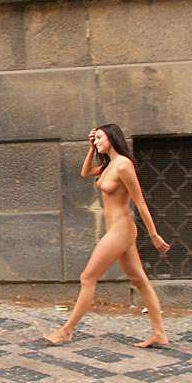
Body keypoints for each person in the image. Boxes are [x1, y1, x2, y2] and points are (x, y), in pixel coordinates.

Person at [45, 124, 171, 347]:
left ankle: (66, 331)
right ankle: (159, 333)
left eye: (99, 138)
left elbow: (140, 202)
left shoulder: (123, 165)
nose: (96, 142)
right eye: (95, 139)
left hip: (122, 230)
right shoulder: (109, 165)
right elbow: (85, 173)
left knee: (87, 277)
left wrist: (153, 234)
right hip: (115, 230)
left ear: (112, 138)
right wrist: (90, 148)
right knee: (140, 281)